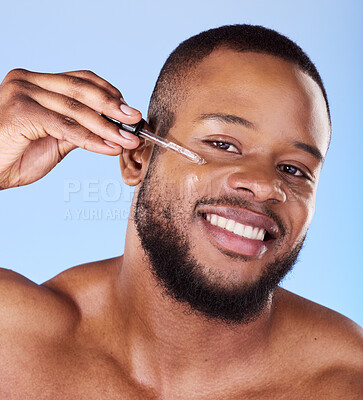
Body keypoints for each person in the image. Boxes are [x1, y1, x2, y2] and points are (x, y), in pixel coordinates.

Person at [0, 24, 362, 399]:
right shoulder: (13, 342)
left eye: (293, 169)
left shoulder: (348, 381)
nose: (264, 185)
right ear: (137, 157)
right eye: (223, 143)